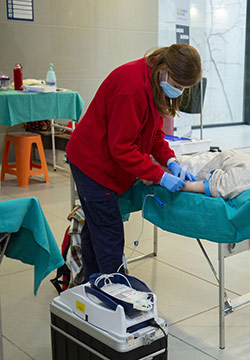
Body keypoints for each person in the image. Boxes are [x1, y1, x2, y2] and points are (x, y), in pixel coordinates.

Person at [66, 44, 202, 281]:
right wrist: (159, 175)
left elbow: (154, 134)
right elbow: (122, 147)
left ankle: (90, 285)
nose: (178, 92)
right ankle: (112, 294)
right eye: (178, 86)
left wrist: (170, 161)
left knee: (95, 230)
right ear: (165, 69)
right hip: (92, 164)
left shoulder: (155, 80)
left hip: (105, 159)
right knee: (108, 234)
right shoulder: (131, 87)